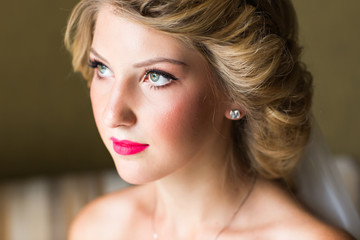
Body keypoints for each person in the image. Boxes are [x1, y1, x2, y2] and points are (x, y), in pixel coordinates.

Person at [64, 0, 354, 239]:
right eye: (102, 68)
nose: (113, 114)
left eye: (156, 77)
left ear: (236, 91)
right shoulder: (98, 229)